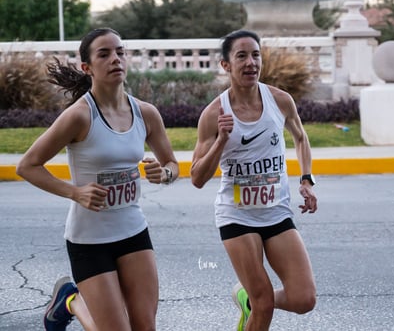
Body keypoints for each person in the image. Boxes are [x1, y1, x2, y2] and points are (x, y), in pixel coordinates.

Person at [16, 27, 178, 331]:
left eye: (120, 52)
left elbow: (172, 163)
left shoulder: (146, 113)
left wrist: (165, 173)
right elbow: (28, 166)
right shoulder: (79, 116)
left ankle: (70, 300)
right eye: (104, 54)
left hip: (133, 232)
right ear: (87, 68)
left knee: (146, 326)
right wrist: (75, 192)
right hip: (89, 240)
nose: (115, 58)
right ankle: (71, 301)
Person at [190, 29, 317, 331]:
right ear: (226, 65)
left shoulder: (280, 101)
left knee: (304, 298)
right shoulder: (213, 114)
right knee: (263, 305)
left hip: (276, 211)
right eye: (241, 56)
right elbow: (196, 177)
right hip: (237, 216)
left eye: (256, 55)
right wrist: (222, 140)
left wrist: (307, 179)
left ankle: (245, 297)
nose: (251, 63)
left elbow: (301, 137)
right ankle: (254, 300)